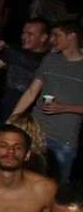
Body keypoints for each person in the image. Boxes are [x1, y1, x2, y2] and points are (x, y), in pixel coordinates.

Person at [11, 20, 83, 183]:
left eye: (57, 35)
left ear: (72, 36)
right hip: (36, 132)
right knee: (25, 179)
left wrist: (64, 107)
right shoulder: (50, 59)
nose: (52, 40)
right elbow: (31, 92)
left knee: (56, 185)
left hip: (63, 138)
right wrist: (12, 120)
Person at [0, 17, 50, 121]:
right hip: (5, 108)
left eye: (30, 34)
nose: (24, 36)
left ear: (43, 37)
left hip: (31, 114)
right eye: (23, 33)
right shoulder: (14, 52)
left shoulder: (50, 60)